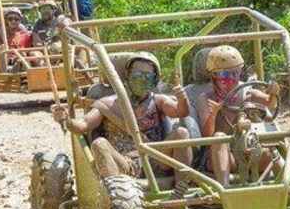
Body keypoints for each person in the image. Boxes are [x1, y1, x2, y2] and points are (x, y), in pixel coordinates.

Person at [53, 53, 193, 184]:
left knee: (182, 133)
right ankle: (115, 199)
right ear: (127, 75)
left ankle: (183, 192)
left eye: (147, 76)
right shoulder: (108, 103)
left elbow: (181, 111)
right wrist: (67, 120)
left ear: (154, 80)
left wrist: (182, 98)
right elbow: (83, 125)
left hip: (157, 157)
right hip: (124, 162)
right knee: (99, 144)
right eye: (137, 74)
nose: (141, 79)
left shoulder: (158, 101)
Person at [196, 45, 280, 186]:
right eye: (224, 75)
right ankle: (225, 190)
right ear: (213, 75)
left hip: (250, 152)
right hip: (222, 155)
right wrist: (214, 114)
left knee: (271, 145)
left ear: (240, 72)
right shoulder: (206, 98)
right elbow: (207, 136)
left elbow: (270, 103)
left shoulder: (247, 92)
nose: (230, 79)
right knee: (219, 137)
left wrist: (273, 92)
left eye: (235, 73)